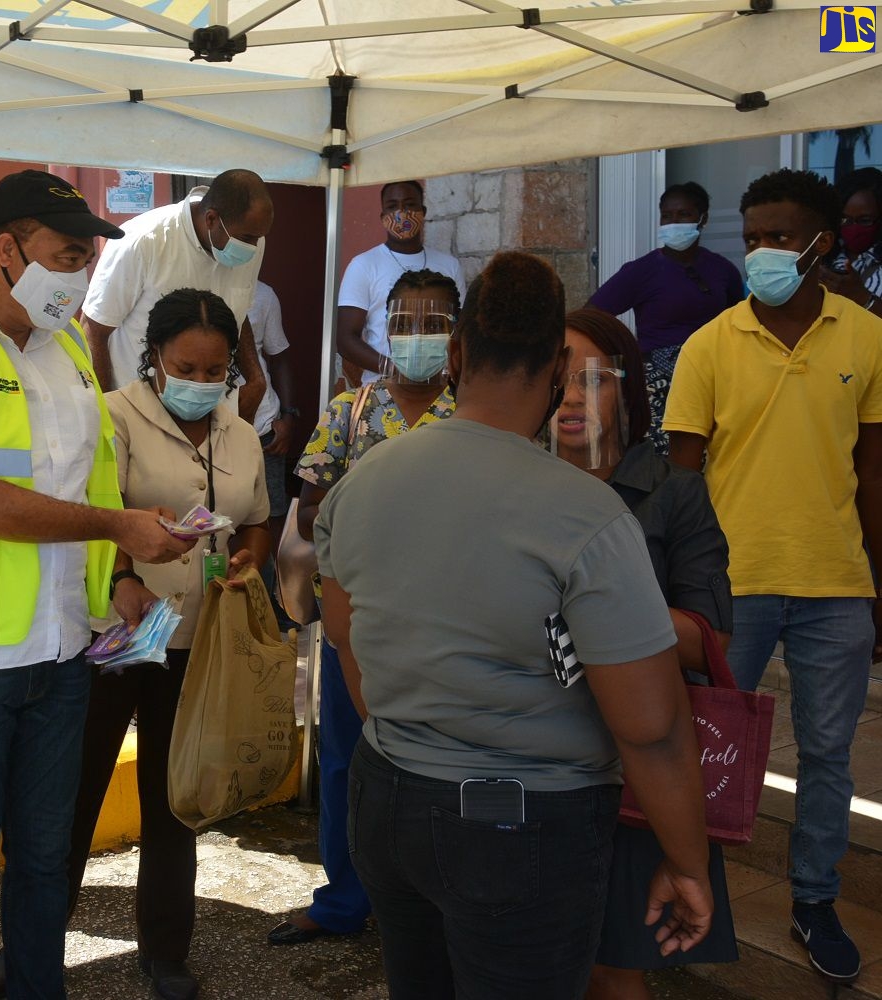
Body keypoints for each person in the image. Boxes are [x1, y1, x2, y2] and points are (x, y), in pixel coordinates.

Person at [317, 251, 714, 999]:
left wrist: (416, 746)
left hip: (387, 800)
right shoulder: (588, 517)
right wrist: (686, 862)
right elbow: (650, 725)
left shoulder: (360, 485)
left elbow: (347, 642)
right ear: (559, 369)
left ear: (457, 353)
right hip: (525, 822)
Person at [0, 169, 193, 998]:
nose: (82, 275)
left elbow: (91, 480)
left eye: (89, 258)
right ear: (7, 249)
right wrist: (121, 529)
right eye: (68, 254)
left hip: (60, 647)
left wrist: (121, 573)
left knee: (47, 861)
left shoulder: (61, 353)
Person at [665, 168, 882, 985]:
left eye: (782, 236)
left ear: (822, 240)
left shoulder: (866, 338)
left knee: (829, 755)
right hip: (730, 589)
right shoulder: (708, 345)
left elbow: (874, 472)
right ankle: (685, 885)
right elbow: (683, 487)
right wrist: (685, 596)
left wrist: (878, 587)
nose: (763, 251)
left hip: (836, 585)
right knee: (699, 746)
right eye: (752, 236)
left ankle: (815, 900)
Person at [66, 288, 271, 1000]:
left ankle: (165, 952)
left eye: (218, 371)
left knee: (171, 794)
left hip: (197, 635)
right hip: (124, 627)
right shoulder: (113, 415)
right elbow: (95, 512)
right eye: (188, 365)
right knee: (77, 789)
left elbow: (255, 518)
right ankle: (34, 944)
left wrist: (248, 556)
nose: (203, 381)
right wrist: (123, 574)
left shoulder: (238, 431)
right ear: (155, 357)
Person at [549, 307, 739, 999]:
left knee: (615, 961)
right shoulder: (516, 489)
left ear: (625, 393)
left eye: (590, 379)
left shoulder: (674, 492)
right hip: (535, 756)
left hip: (637, 765)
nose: (571, 396)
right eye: (556, 378)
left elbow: (710, 636)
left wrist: (606, 611)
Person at [270, 269, 459, 950]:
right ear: (384, 328)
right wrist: (392, 497)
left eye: (433, 323)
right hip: (357, 624)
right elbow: (313, 503)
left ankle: (433, 904)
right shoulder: (349, 409)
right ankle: (344, 900)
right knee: (347, 765)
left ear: (456, 332)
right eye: (404, 322)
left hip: (446, 630)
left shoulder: (474, 412)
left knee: (439, 765)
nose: (417, 336)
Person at [82, 169, 273, 420]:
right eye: (248, 238)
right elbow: (93, 328)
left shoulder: (250, 243)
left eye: (259, 238)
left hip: (214, 413)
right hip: (140, 416)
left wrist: (256, 378)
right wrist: (106, 415)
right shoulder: (143, 241)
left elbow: (238, 310)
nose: (254, 246)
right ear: (212, 219)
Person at [587, 181, 745, 453]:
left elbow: (740, 321)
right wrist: (625, 358)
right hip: (659, 386)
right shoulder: (641, 271)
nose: (674, 222)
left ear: (703, 218)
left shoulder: (722, 270)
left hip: (715, 380)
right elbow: (592, 315)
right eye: (667, 215)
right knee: (667, 462)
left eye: (683, 214)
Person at [335, 180, 466, 382]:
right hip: (382, 387)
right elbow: (345, 339)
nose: (401, 212)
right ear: (383, 216)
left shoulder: (449, 266)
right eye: (392, 206)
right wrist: (395, 370)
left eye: (410, 204)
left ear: (423, 211)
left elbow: (460, 330)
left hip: (439, 388)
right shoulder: (364, 265)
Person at [245, 280, 301, 533]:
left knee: (271, 514)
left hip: (263, 428)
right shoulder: (192, 283)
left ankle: (271, 572)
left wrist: (288, 417)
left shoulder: (263, 295)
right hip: (208, 424)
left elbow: (279, 358)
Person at [821, 167, 882, 319]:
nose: (853, 228)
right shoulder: (824, 257)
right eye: (844, 220)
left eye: (864, 220)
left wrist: (862, 297)